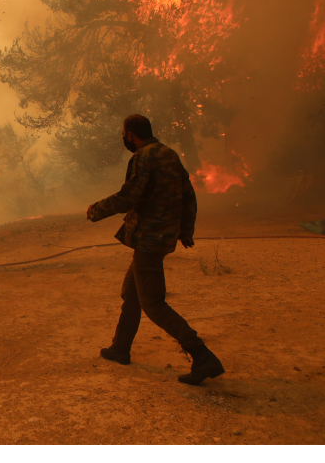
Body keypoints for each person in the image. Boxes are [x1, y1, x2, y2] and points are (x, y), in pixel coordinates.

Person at [86, 114, 225, 386]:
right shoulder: (169, 154)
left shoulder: (143, 157)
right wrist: (185, 230)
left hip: (149, 239)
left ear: (131, 134)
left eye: (124, 134)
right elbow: (189, 194)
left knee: (153, 302)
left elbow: (128, 197)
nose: (123, 139)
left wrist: (96, 210)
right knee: (132, 293)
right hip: (162, 237)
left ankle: (202, 355)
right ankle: (120, 348)